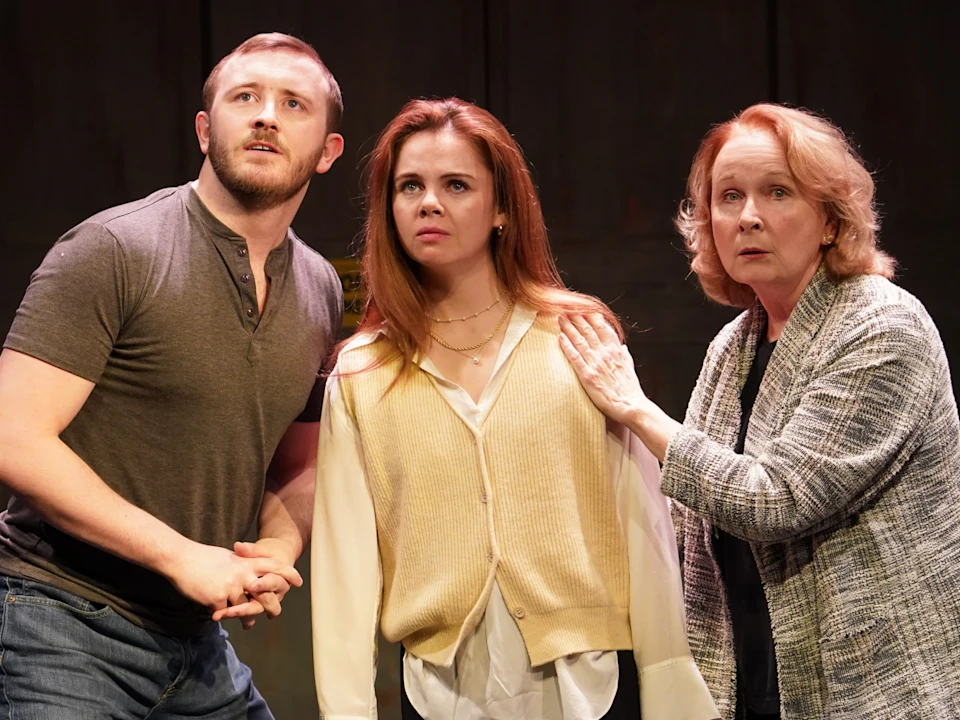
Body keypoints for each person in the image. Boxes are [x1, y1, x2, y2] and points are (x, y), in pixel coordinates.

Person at [310, 97, 719, 720]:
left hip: (590, 685)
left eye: (456, 185)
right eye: (410, 186)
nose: (428, 203)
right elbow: (345, 568)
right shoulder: (363, 371)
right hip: (442, 693)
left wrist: (671, 687)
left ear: (501, 208)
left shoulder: (576, 337)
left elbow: (643, 518)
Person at [559, 103, 960, 719]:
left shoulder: (883, 325)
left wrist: (637, 410)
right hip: (751, 684)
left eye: (777, 192)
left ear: (830, 220)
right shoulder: (734, 346)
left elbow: (779, 500)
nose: (748, 216)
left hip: (873, 693)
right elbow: (691, 516)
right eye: (729, 197)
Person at [0, 32, 345, 718]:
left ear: (329, 150)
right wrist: (181, 556)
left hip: (198, 641)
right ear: (205, 130)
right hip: (59, 618)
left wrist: (275, 549)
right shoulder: (114, 248)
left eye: (293, 104)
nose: (266, 116)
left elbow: (298, 464)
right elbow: (12, 435)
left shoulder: (320, 287)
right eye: (245, 98)